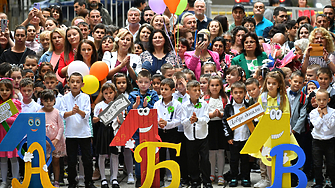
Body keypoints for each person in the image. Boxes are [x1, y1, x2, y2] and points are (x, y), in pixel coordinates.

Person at [60, 72, 96, 188]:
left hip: (84, 133)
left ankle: (89, 182)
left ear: (82, 84)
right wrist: (72, 112)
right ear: (68, 83)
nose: (75, 84)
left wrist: (78, 111)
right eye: (72, 81)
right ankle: (72, 182)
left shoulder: (85, 97)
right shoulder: (64, 98)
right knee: (71, 160)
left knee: (87, 160)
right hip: (70, 133)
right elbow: (62, 114)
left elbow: (87, 114)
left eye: (78, 82)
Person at [127, 70, 159, 187]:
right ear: (136, 82)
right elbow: (129, 112)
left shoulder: (154, 94)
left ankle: (152, 177)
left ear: (150, 83)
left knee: (151, 154)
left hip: (151, 130)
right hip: (137, 131)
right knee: (139, 154)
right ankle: (139, 178)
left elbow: (156, 110)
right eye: (140, 82)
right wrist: (135, 107)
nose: (143, 84)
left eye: (146, 82)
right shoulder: (132, 95)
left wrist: (147, 106)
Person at [181, 80, 212, 188]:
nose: (198, 92)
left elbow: (207, 118)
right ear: (188, 92)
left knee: (205, 160)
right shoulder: (184, 105)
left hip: (202, 135)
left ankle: (207, 181)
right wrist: (190, 120)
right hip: (190, 137)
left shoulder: (204, 104)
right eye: (195, 90)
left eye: (199, 90)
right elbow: (182, 121)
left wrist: (197, 119)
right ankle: (195, 180)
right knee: (192, 159)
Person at [222, 81, 252, 187]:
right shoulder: (229, 107)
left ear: (244, 93)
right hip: (233, 139)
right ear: (232, 94)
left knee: (245, 160)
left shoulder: (249, 106)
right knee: (233, 160)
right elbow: (224, 122)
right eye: (236, 92)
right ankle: (233, 177)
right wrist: (228, 136)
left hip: (245, 138)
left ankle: (245, 178)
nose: (238, 95)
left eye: (240, 92)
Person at [153, 78, 182, 187]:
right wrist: (158, 123)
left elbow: (179, 120)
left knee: (174, 157)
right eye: (162, 89)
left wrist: (167, 124)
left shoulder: (177, 104)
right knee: (160, 156)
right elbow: (154, 117)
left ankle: (176, 179)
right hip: (160, 133)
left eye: (166, 89)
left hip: (173, 132)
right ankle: (160, 179)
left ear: (173, 90)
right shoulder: (157, 104)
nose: (163, 91)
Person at [92, 83, 121, 188]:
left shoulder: (118, 104)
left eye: (111, 92)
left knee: (115, 154)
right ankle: (103, 178)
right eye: (106, 93)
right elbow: (94, 120)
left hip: (114, 130)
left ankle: (114, 178)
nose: (108, 95)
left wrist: (119, 119)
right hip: (103, 130)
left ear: (114, 92)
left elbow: (122, 120)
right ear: (102, 94)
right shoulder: (99, 105)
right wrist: (100, 116)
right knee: (102, 154)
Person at [202, 75, 227, 186]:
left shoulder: (224, 98)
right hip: (210, 126)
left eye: (217, 85)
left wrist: (221, 114)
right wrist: (211, 115)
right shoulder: (205, 98)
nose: (215, 87)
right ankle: (212, 173)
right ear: (209, 86)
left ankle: (220, 174)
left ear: (221, 86)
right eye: (212, 85)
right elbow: (202, 112)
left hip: (221, 126)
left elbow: (228, 112)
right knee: (211, 151)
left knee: (221, 151)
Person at [38, 89, 66, 188]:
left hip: (56, 142)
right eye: (46, 100)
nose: (48, 103)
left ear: (54, 100)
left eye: (51, 100)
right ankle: (47, 180)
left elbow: (61, 127)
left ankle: (57, 181)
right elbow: (38, 128)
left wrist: (56, 139)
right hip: (44, 142)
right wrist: (45, 141)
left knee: (56, 162)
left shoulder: (57, 112)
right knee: (46, 162)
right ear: (41, 101)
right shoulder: (39, 112)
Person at [112, 73, 135, 184]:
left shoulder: (130, 95)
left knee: (127, 149)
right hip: (115, 126)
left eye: (124, 82)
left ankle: (130, 172)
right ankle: (114, 174)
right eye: (118, 83)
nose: (121, 85)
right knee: (115, 151)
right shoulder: (112, 95)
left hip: (128, 125)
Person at [309, 89, 335, 188]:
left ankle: (332, 182)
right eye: (319, 99)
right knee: (317, 163)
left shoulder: (333, 112)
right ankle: (319, 182)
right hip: (317, 140)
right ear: (315, 100)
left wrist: (326, 114)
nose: (321, 102)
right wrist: (320, 115)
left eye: (324, 100)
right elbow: (317, 126)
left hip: (330, 140)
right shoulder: (313, 113)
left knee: (331, 163)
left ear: (328, 100)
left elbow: (331, 126)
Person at [0, 79, 21, 188]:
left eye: (7, 90)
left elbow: (18, 119)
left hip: (11, 134)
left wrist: (5, 118)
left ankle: (15, 181)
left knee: (13, 158)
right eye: (1, 90)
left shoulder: (14, 103)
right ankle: (4, 181)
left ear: (11, 91)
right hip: (0, 135)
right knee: (2, 158)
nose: (4, 92)